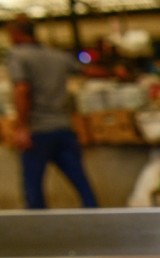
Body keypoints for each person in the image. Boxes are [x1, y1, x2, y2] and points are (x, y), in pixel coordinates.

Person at [6, 14, 98, 209]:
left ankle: (38, 233)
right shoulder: (57, 55)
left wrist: (22, 127)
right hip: (63, 127)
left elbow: (22, 89)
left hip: (38, 130)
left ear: (16, 34)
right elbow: (85, 71)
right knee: (80, 182)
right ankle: (97, 219)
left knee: (34, 187)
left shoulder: (18, 55)